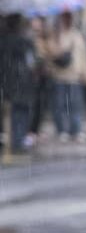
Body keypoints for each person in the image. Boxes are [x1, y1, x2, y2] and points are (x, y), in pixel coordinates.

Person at [36, 12, 86, 142]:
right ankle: (62, 130)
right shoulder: (54, 36)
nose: (67, 20)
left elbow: (84, 56)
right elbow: (48, 55)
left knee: (76, 104)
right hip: (58, 75)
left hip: (75, 75)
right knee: (59, 104)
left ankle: (76, 130)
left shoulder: (77, 35)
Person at [1, 16, 37, 154]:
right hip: (23, 81)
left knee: (14, 112)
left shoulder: (4, 40)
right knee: (22, 112)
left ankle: (15, 140)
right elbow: (31, 62)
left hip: (9, 81)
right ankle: (19, 140)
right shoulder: (25, 42)